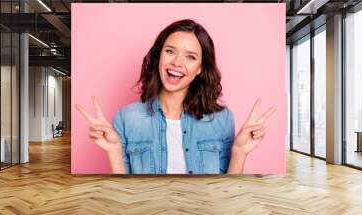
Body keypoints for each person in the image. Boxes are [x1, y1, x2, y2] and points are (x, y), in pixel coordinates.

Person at [76, 19, 276, 174]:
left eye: (191, 57)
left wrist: (240, 152)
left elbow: (225, 192)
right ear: (159, 57)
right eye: (170, 51)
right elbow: (125, 193)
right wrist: (113, 151)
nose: (178, 63)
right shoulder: (126, 118)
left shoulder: (222, 119)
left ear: (200, 69)